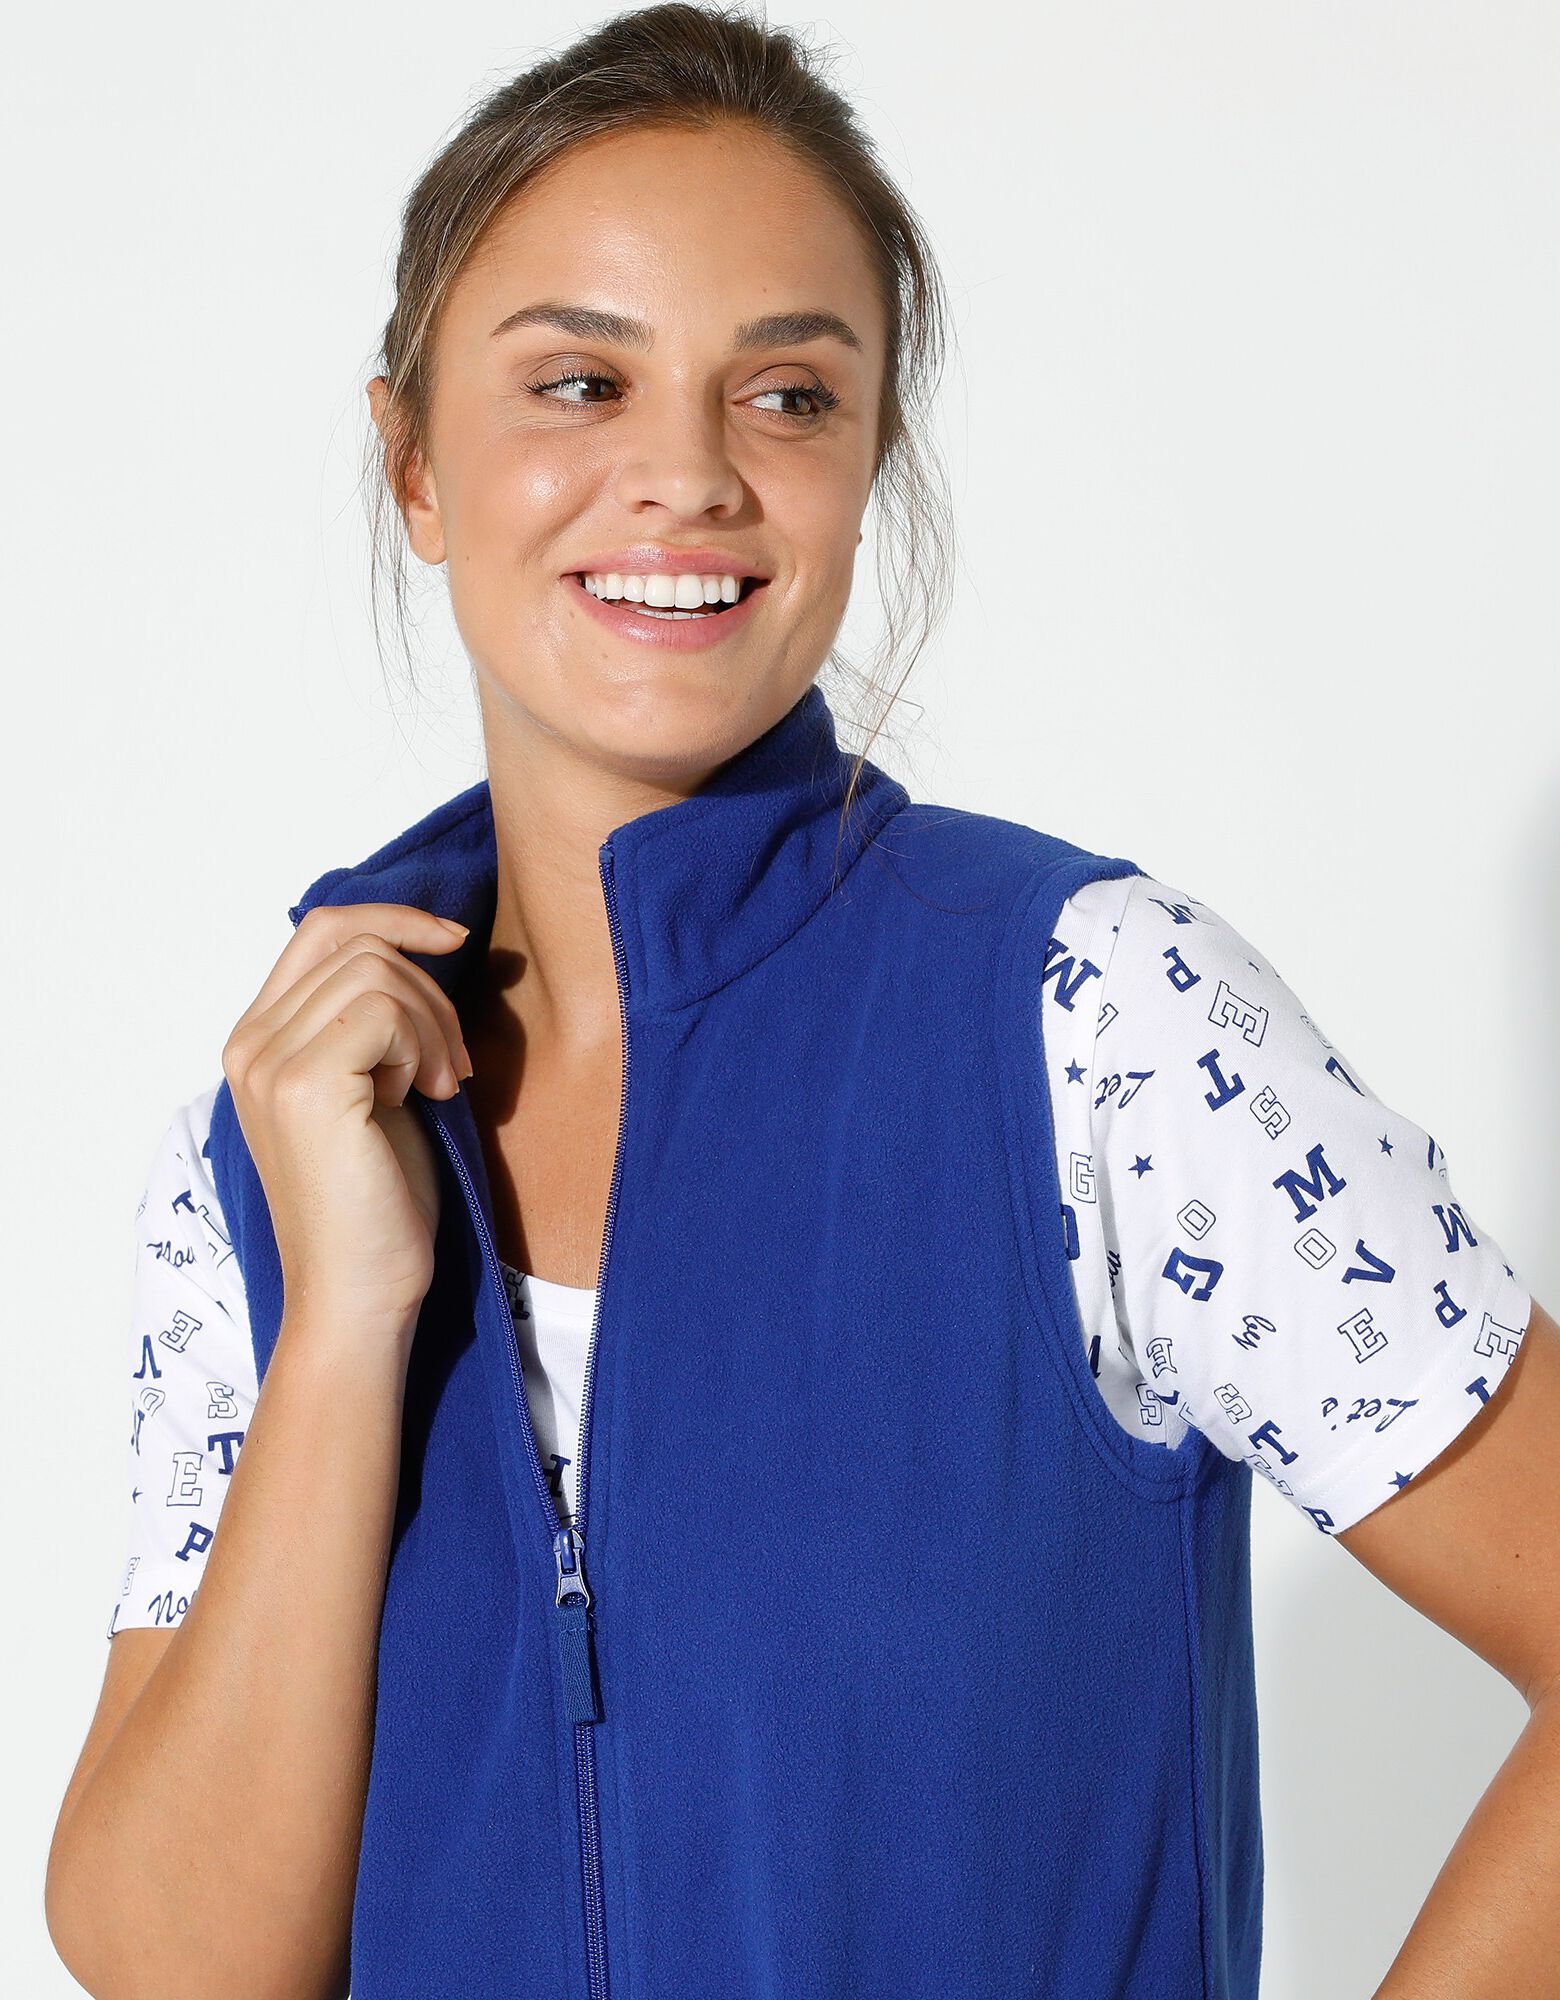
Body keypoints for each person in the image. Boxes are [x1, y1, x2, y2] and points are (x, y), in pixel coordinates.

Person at [44, 7, 1560, 1999]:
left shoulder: (1097, 1025)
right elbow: (176, 1960)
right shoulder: (270, 1148)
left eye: (787, 395)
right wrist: (344, 1319)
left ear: (868, 463)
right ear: (412, 461)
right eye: (580, 382)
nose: (684, 476)